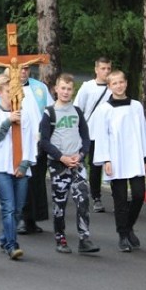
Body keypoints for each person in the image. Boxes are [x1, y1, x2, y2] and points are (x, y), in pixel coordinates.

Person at [93, 70, 146, 252]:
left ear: (126, 83)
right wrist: (105, 160)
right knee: (120, 200)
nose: (119, 86)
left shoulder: (136, 106)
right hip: (116, 158)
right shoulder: (104, 109)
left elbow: (143, 132)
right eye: (114, 83)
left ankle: (128, 226)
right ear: (109, 86)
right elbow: (101, 136)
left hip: (135, 158)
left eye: (121, 82)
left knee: (138, 194)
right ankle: (122, 234)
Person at [39, 74, 100, 255]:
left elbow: (86, 138)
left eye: (69, 89)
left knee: (83, 199)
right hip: (59, 165)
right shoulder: (49, 113)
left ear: (73, 91)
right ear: (56, 89)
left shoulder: (77, 112)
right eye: (62, 88)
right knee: (60, 203)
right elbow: (44, 142)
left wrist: (80, 155)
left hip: (77, 164)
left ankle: (84, 238)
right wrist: (61, 157)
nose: (66, 92)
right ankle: (61, 238)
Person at [0, 74, 40, 260]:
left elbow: (31, 140)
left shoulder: (26, 114)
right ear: (0, 93)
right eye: (8, 92)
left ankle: (4, 237)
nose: (12, 95)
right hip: (1, 166)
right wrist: (8, 121)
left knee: (18, 207)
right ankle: (12, 244)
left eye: (16, 92)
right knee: (8, 206)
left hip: (21, 166)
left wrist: (25, 163)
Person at [17, 63, 54, 235]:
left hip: (38, 141)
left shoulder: (39, 88)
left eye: (25, 69)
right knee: (23, 179)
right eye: (19, 68)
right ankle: (23, 218)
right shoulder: (6, 86)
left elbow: (50, 111)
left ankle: (33, 219)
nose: (22, 72)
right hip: (18, 141)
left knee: (37, 180)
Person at [73, 57, 113, 213]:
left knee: (110, 165)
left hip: (109, 134)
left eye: (108, 68)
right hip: (91, 132)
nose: (106, 72)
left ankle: (113, 195)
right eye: (103, 68)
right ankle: (95, 196)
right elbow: (78, 109)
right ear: (96, 69)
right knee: (93, 166)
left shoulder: (113, 88)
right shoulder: (87, 87)